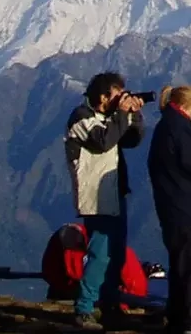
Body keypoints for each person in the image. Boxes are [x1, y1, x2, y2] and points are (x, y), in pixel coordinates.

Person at [65, 72, 146, 330]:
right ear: (102, 97)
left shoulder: (111, 119)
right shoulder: (81, 117)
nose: (119, 99)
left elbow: (131, 140)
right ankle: (84, 308)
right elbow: (103, 141)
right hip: (96, 197)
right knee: (99, 253)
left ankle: (109, 304)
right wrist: (121, 115)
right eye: (116, 95)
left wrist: (134, 115)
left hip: (115, 192)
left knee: (117, 253)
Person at [149, 85, 191, 334]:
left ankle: (178, 318)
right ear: (188, 106)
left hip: (171, 208)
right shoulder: (180, 129)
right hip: (189, 208)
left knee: (181, 266)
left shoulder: (165, 127)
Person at [41, 223, 148, 304]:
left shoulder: (116, 250)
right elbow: (51, 271)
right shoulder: (61, 243)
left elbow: (136, 286)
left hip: (103, 294)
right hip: (83, 293)